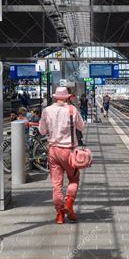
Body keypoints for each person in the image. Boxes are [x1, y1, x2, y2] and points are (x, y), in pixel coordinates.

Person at [39, 87, 85, 224]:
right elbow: (81, 127)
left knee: (57, 185)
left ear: (54, 97)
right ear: (67, 97)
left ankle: (59, 214)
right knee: (74, 179)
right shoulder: (72, 110)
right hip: (69, 152)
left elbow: (42, 131)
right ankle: (69, 204)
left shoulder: (46, 111)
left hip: (53, 151)